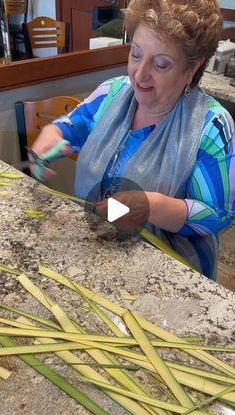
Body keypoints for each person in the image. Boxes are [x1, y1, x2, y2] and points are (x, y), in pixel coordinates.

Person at [31, 0, 235, 281]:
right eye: (136, 54)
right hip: (98, 254)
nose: (139, 75)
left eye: (161, 64)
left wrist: (152, 207)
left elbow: (217, 214)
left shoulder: (210, 126)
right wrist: (50, 137)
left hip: (167, 275)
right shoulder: (111, 92)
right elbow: (70, 127)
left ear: (193, 67)